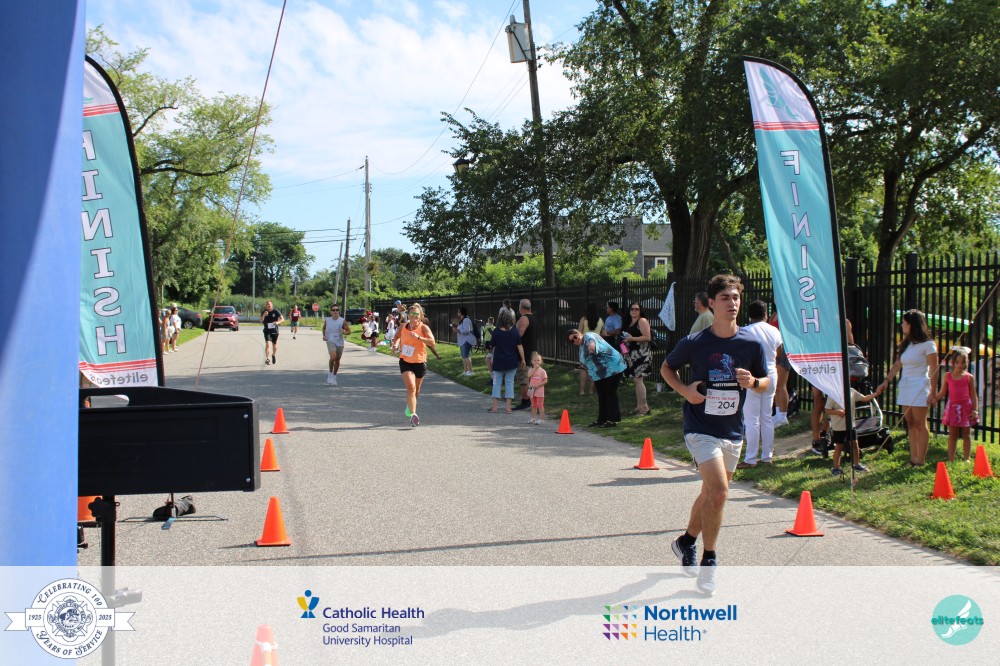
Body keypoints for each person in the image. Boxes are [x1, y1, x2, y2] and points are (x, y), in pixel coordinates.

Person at [660, 274, 769, 596]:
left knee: (711, 493)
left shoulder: (751, 343)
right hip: (700, 427)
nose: (732, 303)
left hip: (732, 430)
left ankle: (686, 541)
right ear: (711, 303)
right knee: (720, 492)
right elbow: (667, 368)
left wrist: (754, 383)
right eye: (725, 298)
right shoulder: (695, 342)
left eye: (736, 298)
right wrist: (685, 391)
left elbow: (766, 382)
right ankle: (709, 561)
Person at [877, 310, 938, 466]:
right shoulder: (906, 344)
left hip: (920, 385)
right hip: (905, 386)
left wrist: (933, 392)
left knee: (920, 423)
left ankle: (921, 460)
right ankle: (913, 458)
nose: (902, 325)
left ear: (912, 324)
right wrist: (886, 381)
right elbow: (897, 365)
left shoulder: (928, 344)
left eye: (904, 323)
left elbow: (934, 368)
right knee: (910, 422)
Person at [737, 301, 783, 468]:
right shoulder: (774, 330)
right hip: (771, 374)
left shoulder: (745, 331)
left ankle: (750, 458)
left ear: (749, 315)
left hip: (752, 375)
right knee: (767, 417)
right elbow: (778, 353)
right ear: (765, 314)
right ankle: (767, 456)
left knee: (751, 419)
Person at [810, 319, 854, 454]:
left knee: (836, 402)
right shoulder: (818, 320)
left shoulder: (844, 322)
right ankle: (816, 439)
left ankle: (826, 432)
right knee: (819, 401)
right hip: (818, 363)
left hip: (836, 366)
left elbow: (851, 346)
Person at [568, 328, 627, 428]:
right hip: (599, 373)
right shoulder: (581, 347)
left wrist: (592, 347)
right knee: (601, 394)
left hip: (612, 368)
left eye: (575, 337)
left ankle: (612, 420)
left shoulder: (589, 336)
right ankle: (602, 419)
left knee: (610, 392)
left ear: (579, 333)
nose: (575, 340)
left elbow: (592, 342)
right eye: (572, 341)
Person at [391, 303, 436, 426]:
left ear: (420, 315)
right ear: (408, 315)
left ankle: (410, 406)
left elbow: (432, 342)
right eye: (411, 314)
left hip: (420, 361)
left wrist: (419, 338)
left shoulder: (423, 328)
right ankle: (413, 415)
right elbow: (397, 336)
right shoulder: (403, 326)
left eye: (416, 314)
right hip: (405, 361)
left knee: (416, 390)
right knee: (411, 387)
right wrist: (395, 345)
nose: (414, 316)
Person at [935, 348, 978, 462]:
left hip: (966, 408)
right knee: (953, 434)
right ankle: (951, 459)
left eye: (963, 362)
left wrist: (975, 410)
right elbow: (942, 392)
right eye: (957, 362)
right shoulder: (948, 376)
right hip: (953, 408)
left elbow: (973, 395)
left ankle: (966, 458)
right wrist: (933, 397)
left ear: (966, 363)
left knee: (966, 434)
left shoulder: (969, 377)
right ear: (952, 362)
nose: (960, 365)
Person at [826, 387, 879, 476]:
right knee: (839, 446)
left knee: (855, 444)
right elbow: (827, 409)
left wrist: (876, 393)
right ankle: (836, 468)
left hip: (851, 425)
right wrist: (838, 412)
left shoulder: (851, 391)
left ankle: (856, 465)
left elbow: (864, 398)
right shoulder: (833, 393)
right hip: (839, 426)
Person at [488, 309, 523, 414]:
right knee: (509, 383)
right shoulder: (514, 331)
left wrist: (491, 355)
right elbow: (519, 346)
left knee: (496, 383)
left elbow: (491, 346)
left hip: (498, 361)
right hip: (511, 361)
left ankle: (494, 407)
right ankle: (508, 408)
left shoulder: (496, 331)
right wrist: (523, 359)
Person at [622, 302, 654, 416]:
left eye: (636, 309)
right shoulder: (628, 322)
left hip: (642, 354)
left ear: (640, 311)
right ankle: (639, 406)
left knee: (638, 379)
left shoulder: (642, 321)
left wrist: (632, 339)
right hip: (632, 355)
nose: (634, 311)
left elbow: (647, 337)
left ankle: (644, 407)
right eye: (632, 309)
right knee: (636, 380)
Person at [513, 299, 538, 410]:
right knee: (531, 378)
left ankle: (525, 401)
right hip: (533, 351)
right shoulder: (534, 318)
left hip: (525, 352)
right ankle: (530, 399)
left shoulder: (524, 318)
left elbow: (518, 335)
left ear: (521, 307)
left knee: (523, 378)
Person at [321, 304, 351, 385]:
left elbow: (349, 331)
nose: (335, 311)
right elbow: (324, 328)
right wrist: (324, 336)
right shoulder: (327, 320)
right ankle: (330, 373)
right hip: (330, 340)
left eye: (337, 310)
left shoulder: (342, 321)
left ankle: (334, 376)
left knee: (337, 359)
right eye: (333, 310)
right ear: (331, 312)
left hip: (339, 342)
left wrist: (344, 332)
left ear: (339, 311)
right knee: (333, 357)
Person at [578, 303, 603, 396]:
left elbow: (579, 333)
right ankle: (591, 390)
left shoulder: (584, 319)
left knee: (583, 368)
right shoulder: (600, 320)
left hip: (585, 344)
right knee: (594, 368)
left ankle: (582, 391)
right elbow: (603, 333)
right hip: (597, 345)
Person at [452, 307, 477, 375]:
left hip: (466, 340)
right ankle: (466, 371)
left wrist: (457, 331)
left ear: (461, 313)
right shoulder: (462, 320)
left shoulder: (466, 320)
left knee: (466, 355)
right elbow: (462, 328)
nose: (457, 313)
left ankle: (471, 371)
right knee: (464, 356)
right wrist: (456, 327)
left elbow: (467, 330)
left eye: (458, 312)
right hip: (463, 340)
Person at [527, 352, 548, 425]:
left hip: (539, 390)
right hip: (531, 389)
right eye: (535, 360)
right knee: (533, 405)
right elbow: (529, 376)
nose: (536, 362)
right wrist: (534, 369)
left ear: (541, 361)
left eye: (538, 360)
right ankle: (533, 418)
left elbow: (545, 380)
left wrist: (539, 385)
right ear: (532, 361)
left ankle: (542, 419)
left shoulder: (542, 371)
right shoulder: (530, 369)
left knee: (540, 405)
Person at [260, 300, 284, 365]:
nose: (268, 305)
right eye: (267, 304)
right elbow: (261, 320)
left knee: (274, 345)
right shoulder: (264, 312)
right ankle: (267, 359)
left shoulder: (276, 311)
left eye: (269, 304)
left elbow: (282, 318)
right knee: (267, 343)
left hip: (274, 330)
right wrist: (263, 315)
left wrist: (278, 322)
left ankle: (273, 355)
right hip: (267, 330)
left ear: (272, 305)